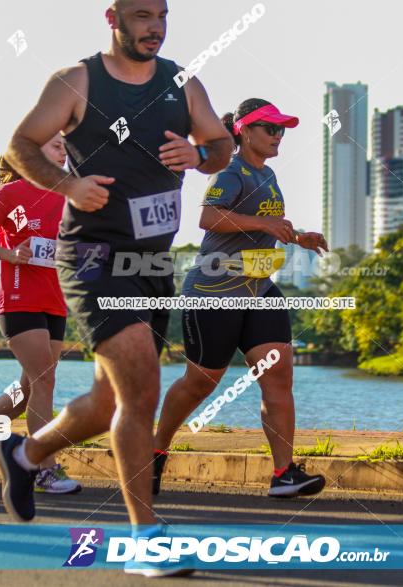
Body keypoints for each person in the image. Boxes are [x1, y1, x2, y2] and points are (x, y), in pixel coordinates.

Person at [0, 0, 232, 577]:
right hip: (94, 257)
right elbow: (20, 145)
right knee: (142, 390)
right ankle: (147, 538)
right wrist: (67, 183)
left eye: (164, 16)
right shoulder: (77, 81)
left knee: (108, 402)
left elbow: (222, 146)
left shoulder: (183, 82)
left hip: (150, 261)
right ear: (113, 17)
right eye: (144, 15)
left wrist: (199, 155)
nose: (156, 26)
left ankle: (24, 455)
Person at [150, 99, 327, 499]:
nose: (278, 136)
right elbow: (208, 217)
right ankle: (154, 451)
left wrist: (299, 237)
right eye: (270, 129)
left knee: (278, 376)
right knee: (200, 383)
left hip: (259, 290)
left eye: (282, 130)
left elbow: (267, 225)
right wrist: (263, 222)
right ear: (246, 131)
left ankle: (284, 473)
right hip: (214, 291)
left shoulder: (268, 175)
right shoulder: (230, 173)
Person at [0, 135, 80, 494]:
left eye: (65, 146)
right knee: (45, 380)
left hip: (56, 300)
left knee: (29, 389)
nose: (64, 151)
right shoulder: (8, 196)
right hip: (17, 297)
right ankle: (44, 467)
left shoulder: (69, 196)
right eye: (55, 145)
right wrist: (11, 253)